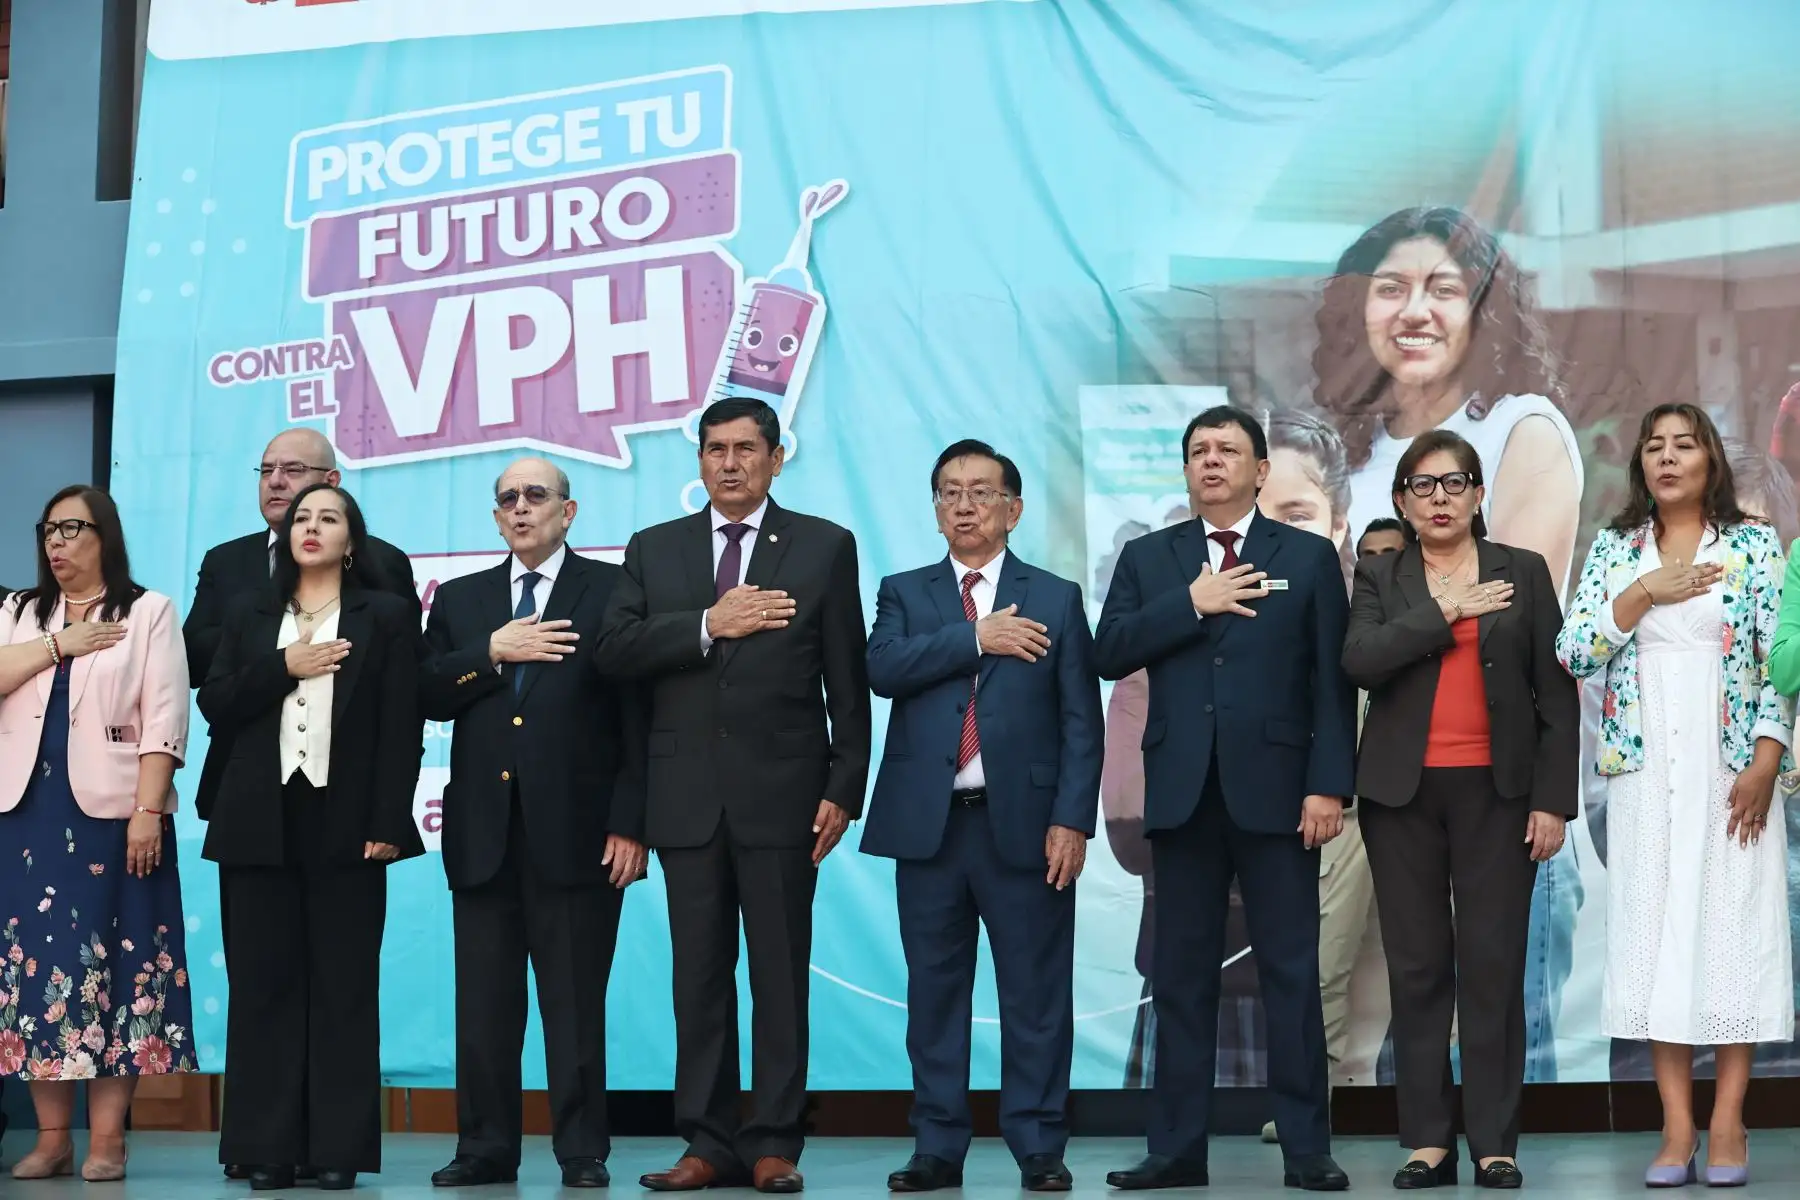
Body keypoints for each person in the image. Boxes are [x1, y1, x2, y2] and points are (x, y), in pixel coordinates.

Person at [1313, 206, 1586, 1087]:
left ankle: (1505, 1156)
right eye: (1390, 288)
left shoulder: (1523, 426)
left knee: (1497, 1009)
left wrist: (1386, 595)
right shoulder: (1346, 445)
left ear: (1484, 308)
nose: (1414, 310)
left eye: (1443, 287)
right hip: (1384, 781)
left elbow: (1503, 609)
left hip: (1495, 773)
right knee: (1394, 1025)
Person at [596, 397, 871, 1194]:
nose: (728, 463)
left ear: (777, 458)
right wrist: (709, 624)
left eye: (746, 449)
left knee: (781, 975)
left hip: (787, 796)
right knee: (700, 979)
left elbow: (846, 681)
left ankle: (775, 1141)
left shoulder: (823, 546)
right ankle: (707, 1143)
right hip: (685, 799)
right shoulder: (657, 549)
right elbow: (613, 653)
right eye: (714, 449)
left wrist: (843, 785)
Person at [1096, 405, 1355, 1193]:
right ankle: (1175, 1151)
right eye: (1199, 451)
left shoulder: (1307, 558)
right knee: (1181, 981)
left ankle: (1308, 1149)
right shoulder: (1151, 559)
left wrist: (1327, 785)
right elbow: (1109, 650)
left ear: (1259, 469)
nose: (1212, 461)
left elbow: (1331, 687)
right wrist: (1191, 603)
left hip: (1279, 797)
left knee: (1289, 974)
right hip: (1180, 798)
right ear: (1185, 470)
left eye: (1228, 450)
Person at [1558, 404, 1793, 1189]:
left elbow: (1775, 667)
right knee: (1656, 941)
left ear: (1710, 461)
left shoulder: (1755, 546)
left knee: (1731, 935)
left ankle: (1728, 1122)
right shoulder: (1618, 550)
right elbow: (1575, 650)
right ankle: (1676, 1125)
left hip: (1731, 772)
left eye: (1683, 445)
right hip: (1643, 772)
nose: (1666, 458)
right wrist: (1642, 594)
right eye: (1653, 446)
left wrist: (1766, 761)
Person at [863, 440, 1102, 1193]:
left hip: (1025, 826)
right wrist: (976, 635)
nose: (964, 506)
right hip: (930, 826)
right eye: (949, 493)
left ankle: (1038, 1144)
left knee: (1035, 994)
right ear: (934, 509)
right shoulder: (905, 592)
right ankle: (937, 1145)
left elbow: (1081, 722)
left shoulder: (1055, 596)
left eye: (980, 493)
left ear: (1013, 509)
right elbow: (883, 669)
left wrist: (1072, 820)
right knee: (935, 994)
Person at [1342, 430, 1578, 1189]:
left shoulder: (1525, 571)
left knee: (1492, 966)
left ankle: (1495, 1141)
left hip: (1499, 795)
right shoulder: (1382, 574)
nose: (1438, 498)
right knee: (1417, 970)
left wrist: (1551, 802)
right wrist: (1442, 610)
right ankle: (1427, 1141)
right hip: (1400, 796)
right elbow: (1362, 660)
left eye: (1454, 483)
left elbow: (1556, 697)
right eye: (1422, 486)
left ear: (1479, 495)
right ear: (1402, 503)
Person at [182, 427, 418, 1184]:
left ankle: (337, 1151)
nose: (309, 524)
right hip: (256, 815)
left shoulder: (381, 614)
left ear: (352, 541)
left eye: (328, 516)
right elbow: (216, 700)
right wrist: (283, 666)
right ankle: (266, 1145)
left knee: (344, 984)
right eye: (301, 516)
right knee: (264, 984)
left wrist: (389, 822)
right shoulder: (252, 613)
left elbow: (399, 727)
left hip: (348, 819)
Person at [420, 458, 647, 1191]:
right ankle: (484, 1147)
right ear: (496, 517)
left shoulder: (612, 590)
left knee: (576, 1003)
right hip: (484, 833)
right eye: (507, 499)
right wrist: (491, 652)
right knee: (483, 1007)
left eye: (535, 496)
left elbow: (638, 720)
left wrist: (630, 822)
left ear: (569, 511)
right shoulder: (461, 599)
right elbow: (427, 691)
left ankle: (583, 1150)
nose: (521, 509)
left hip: (581, 834)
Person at [0, 486, 196, 1182]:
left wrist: (149, 809)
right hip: (25, 816)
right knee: (36, 976)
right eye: (48, 530)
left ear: (104, 535)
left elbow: (165, 717)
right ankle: (53, 1139)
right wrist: (58, 645)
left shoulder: (148, 611)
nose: (57, 543)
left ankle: (107, 1140)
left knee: (119, 970)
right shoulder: (19, 612)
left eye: (72, 529)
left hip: (114, 818)